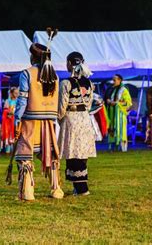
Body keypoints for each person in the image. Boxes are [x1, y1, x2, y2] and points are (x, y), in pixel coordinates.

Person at [14, 42, 63, 200]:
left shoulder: (27, 73)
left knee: (25, 154)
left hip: (30, 120)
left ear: (33, 56)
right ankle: (56, 189)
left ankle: (27, 192)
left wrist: (17, 118)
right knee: (50, 153)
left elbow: (22, 99)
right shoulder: (54, 75)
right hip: (48, 121)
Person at [58, 51, 96, 196]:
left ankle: (81, 188)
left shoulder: (66, 83)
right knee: (82, 152)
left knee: (73, 151)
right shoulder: (89, 83)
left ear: (69, 63)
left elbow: (62, 104)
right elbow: (89, 103)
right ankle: (80, 186)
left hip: (71, 118)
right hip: (84, 118)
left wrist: (60, 118)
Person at [106, 74, 132, 152]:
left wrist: (116, 103)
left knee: (120, 129)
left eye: (115, 80)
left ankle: (122, 148)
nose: (113, 81)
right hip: (112, 112)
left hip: (120, 114)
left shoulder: (124, 90)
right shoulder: (111, 89)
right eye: (113, 80)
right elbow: (107, 98)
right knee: (112, 128)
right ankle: (112, 147)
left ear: (120, 80)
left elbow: (128, 102)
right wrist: (108, 101)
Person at [1, 87, 18, 154]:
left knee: (15, 134)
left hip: (16, 120)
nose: (16, 94)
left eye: (17, 93)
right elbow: (5, 110)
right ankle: (8, 150)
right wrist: (9, 112)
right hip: (9, 120)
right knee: (8, 133)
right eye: (15, 93)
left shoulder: (18, 101)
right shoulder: (8, 101)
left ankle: (15, 150)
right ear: (11, 93)